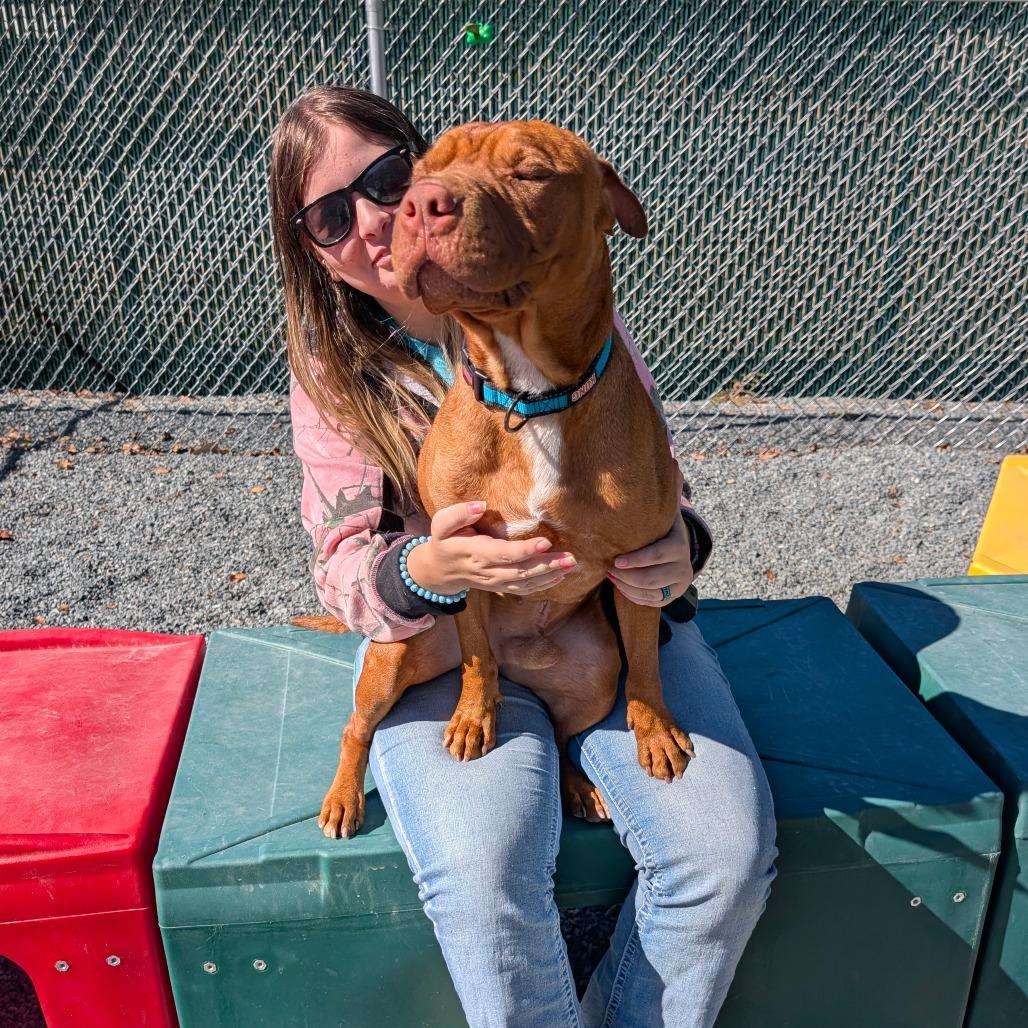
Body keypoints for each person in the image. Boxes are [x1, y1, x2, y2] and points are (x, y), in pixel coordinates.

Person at [270, 84, 778, 1028]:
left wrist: (682, 547)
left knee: (724, 855)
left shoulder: (576, 316)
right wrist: (425, 570)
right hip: (451, 640)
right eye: (331, 216)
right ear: (311, 250)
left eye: (390, 179)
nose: (383, 217)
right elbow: (343, 568)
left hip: (599, 622)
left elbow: (657, 490)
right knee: (479, 878)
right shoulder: (332, 374)